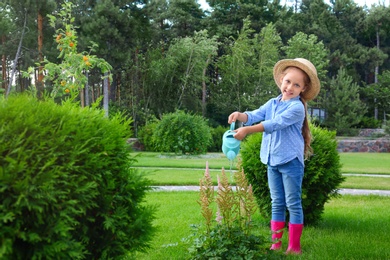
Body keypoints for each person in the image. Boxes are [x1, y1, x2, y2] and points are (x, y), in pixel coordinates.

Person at [228, 58, 320, 254]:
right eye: (288, 82)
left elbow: (273, 124)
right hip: (272, 160)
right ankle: (275, 244)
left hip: (290, 162)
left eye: (297, 85)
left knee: (293, 203)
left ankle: (294, 247)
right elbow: (254, 115)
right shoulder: (272, 103)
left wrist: (247, 131)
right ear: (281, 79)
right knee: (277, 202)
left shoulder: (296, 108)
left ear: (303, 89)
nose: (290, 87)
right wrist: (240, 116)